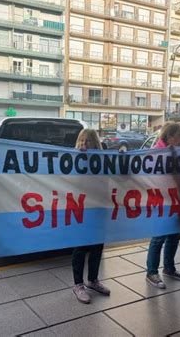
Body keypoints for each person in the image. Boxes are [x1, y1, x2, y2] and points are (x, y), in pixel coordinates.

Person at [146, 122, 180, 289]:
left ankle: (169, 268)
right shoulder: (156, 152)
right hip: (162, 201)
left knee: (174, 235)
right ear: (170, 137)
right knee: (159, 237)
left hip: (178, 200)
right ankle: (151, 272)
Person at [71, 129, 110, 304]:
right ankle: (78, 284)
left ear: (96, 143)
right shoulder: (72, 159)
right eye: (82, 141)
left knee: (97, 247)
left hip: (98, 209)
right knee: (80, 247)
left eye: (88, 141)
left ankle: (92, 280)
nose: (85, 144)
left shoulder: (103, 160)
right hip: (81, 209)